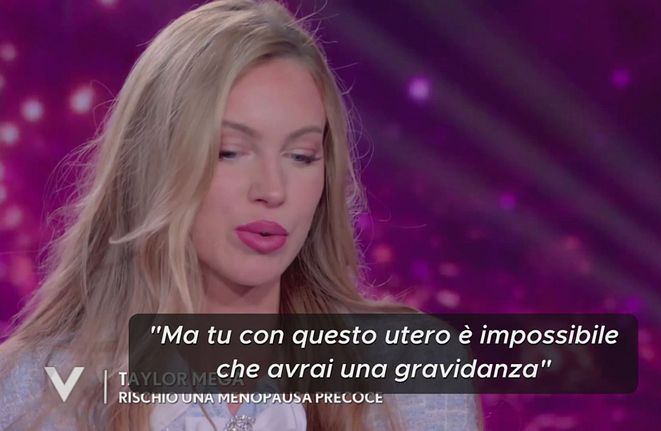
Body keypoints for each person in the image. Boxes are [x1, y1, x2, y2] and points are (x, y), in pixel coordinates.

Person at [0, 0, 482, 430]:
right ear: (153, 164)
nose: (272, 190)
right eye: (230, 151)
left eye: (301, 156)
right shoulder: (35, 392)